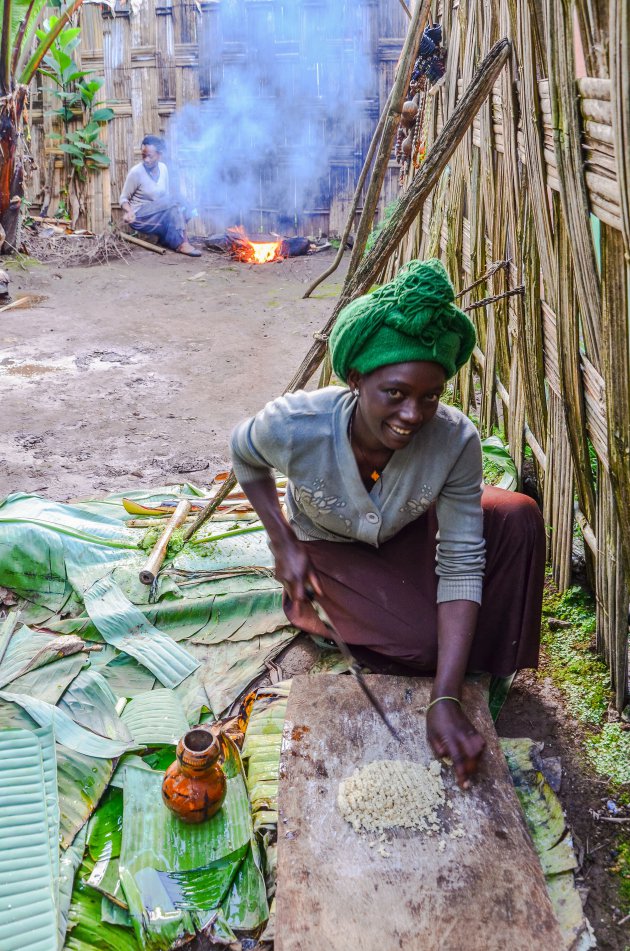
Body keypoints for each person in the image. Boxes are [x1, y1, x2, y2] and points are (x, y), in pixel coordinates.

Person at [230, 259, 545, 788]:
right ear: (356, 379)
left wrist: (444, 697)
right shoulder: (297, 425)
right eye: (394, 393)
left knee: (517, 515)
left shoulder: (455, 439)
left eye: (430, 396)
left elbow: (463, 555)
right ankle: (335, 616)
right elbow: (244, 454)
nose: (412, 414)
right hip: (331, 547)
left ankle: (466, 672)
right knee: (422, 642)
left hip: (408, 532)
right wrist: (282, 540)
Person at [119, 135, 201, 256]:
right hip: (139, 217)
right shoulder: (136, 172)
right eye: (143, 156)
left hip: (157, 216)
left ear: (159, 155)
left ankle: (171, 240)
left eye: (150, 156)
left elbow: (165, 199)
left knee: (176, 206)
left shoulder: (163, 169)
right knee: (176, 199)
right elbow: (123, 198)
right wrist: (129, 211)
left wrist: (181, 211)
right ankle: (183, 243)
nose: (146, 160)